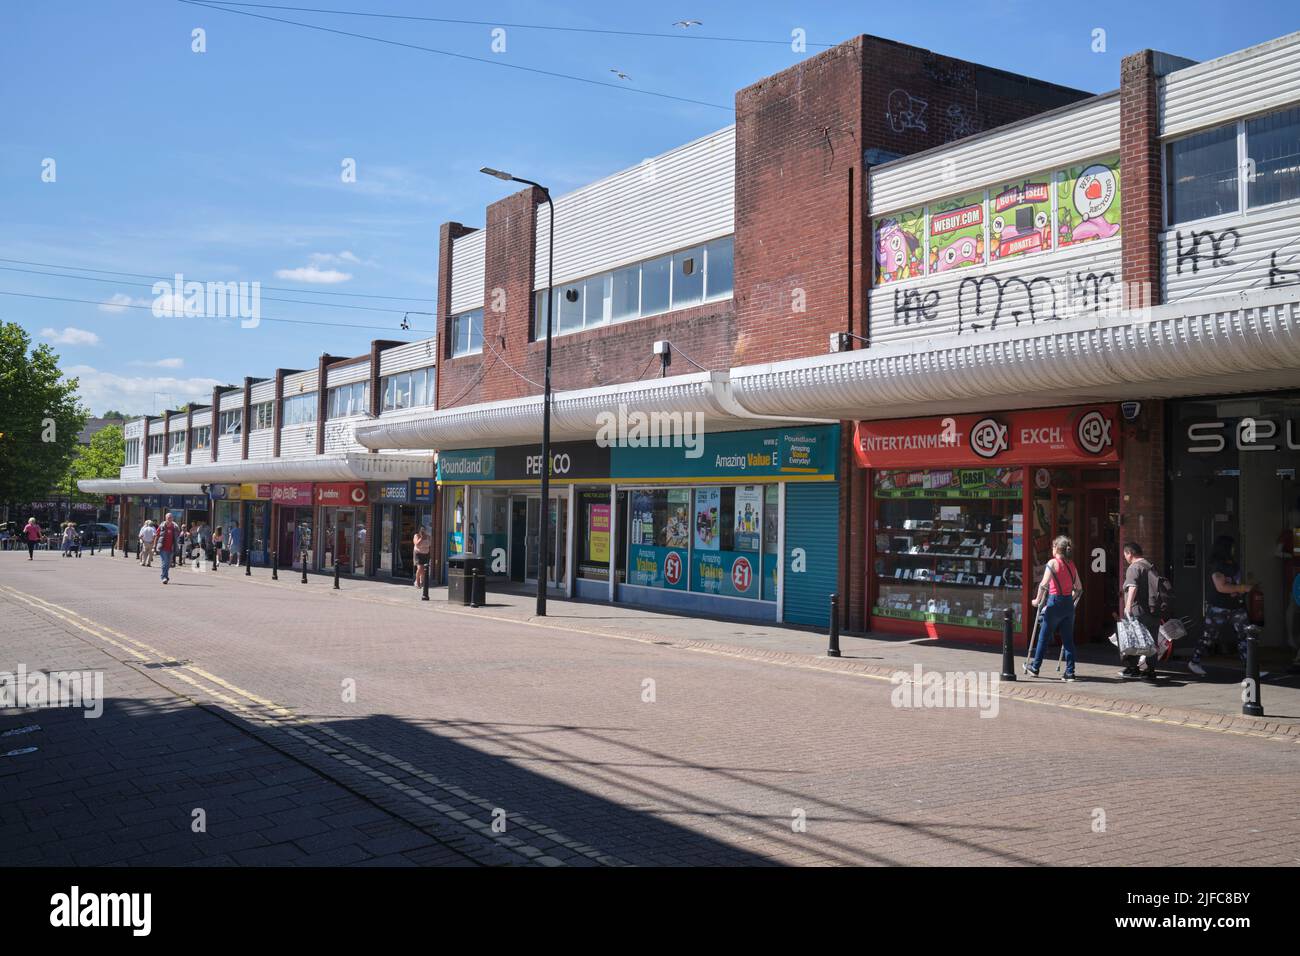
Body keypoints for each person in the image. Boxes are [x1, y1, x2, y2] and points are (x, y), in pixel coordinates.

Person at [1189, 535, 1255, 677]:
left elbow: (1233, 584)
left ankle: (1251, 669)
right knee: (1209, 637)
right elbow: (1221, 587)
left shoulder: (1233, 564)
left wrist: (1240, 588)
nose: (1234, 549)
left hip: (1236, 606)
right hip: (1218, 607)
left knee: (1246, 635)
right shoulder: (1217, 565)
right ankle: (1194, 662)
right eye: (1231, 546)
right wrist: (1242, 588)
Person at [1027, 535, 1082, 680]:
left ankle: (1035, 667)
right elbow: (1079, 588)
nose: (1051, 549)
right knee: (1068, 640)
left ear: (1057, 548)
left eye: (1052, 546)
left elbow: (1043, 585)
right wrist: (1070, 599)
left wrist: (1037, 600)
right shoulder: (1072, 565)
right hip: (1068, 605)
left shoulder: (1052, 563)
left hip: (1054, 602)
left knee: (1043, 636)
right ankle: (1070, 672)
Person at [1119, 542, 1162, 682]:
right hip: (1154, 609)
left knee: (1134, 639)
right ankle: (1151, 670)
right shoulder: (1150, 566)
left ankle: (1133, 668)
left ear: (1129, 553)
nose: (1125, 557)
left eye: (1125, 554)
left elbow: (1132, 587)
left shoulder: (1134, 567)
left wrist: (1128, 606)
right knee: (1152, 641)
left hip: (1139, 610)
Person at [155, 514, 179, 584]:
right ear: (165, 518)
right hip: (163, 548)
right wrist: (154, 546)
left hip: (171, 548)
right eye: (168, 517)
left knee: (168, 564)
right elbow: (157, 536)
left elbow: (178, 535)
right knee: (164, 563)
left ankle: (166, 576)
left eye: (171, 517)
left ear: (172, 518)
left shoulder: (174, 527)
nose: (169, 519)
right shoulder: (162, 526)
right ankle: (164, 577)